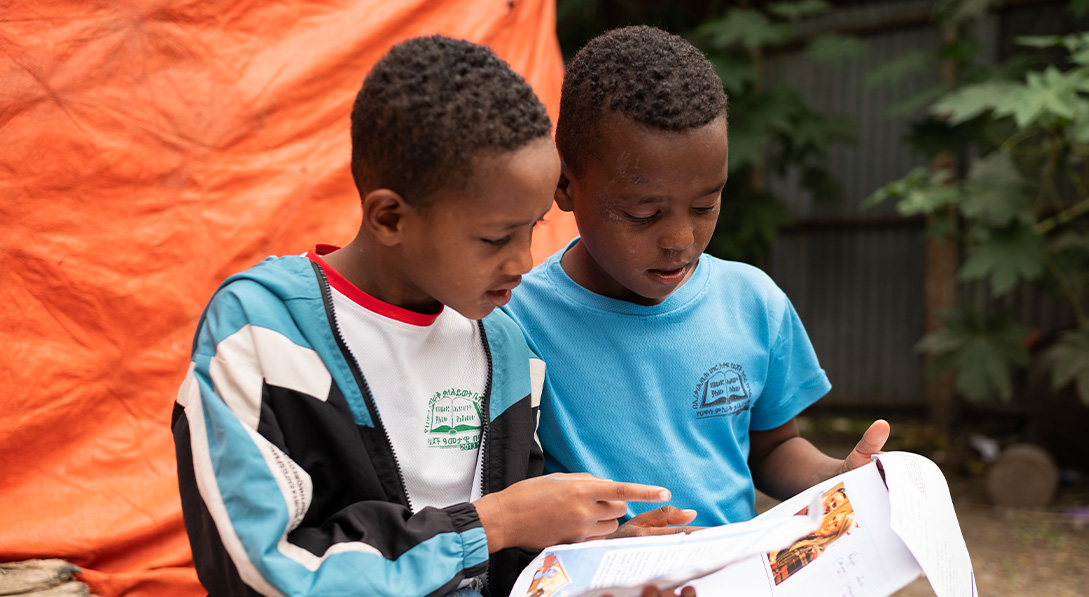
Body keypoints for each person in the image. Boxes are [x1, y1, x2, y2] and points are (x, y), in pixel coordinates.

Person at [171, 35, 676, 597]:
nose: (523, 262)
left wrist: (599, 555)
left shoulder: (506, 347)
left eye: (532, 229)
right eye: (493, 238)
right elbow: (256, 571)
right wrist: (493, 523)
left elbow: (513, 563)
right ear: (389, 217)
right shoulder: (262, 334)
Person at [502, 25, 890, 533]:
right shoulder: (515, 322)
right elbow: (509, 498)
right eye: (644, 213)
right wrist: (616, 540)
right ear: (564, 185)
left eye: (706, 204)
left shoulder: (752, 303)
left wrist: (838, 477)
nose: (681, 239)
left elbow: (772, 447)